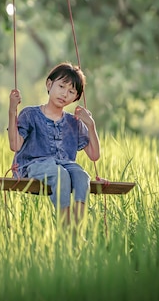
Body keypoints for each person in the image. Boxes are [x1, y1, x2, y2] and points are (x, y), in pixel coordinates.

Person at [8, 62, 101, 225]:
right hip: (34, 165)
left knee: (81, 176)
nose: (64, 94)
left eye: (71, 91)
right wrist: (12, 110)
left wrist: (91, 125)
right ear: (49, 84)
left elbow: (94, 155)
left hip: (65, 165)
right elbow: (15, 145)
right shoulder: (30, 114)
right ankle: (65, 226)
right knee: (61, 175)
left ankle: (76, 226)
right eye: (61, 86)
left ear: (76, 98)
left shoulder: (74, 122)